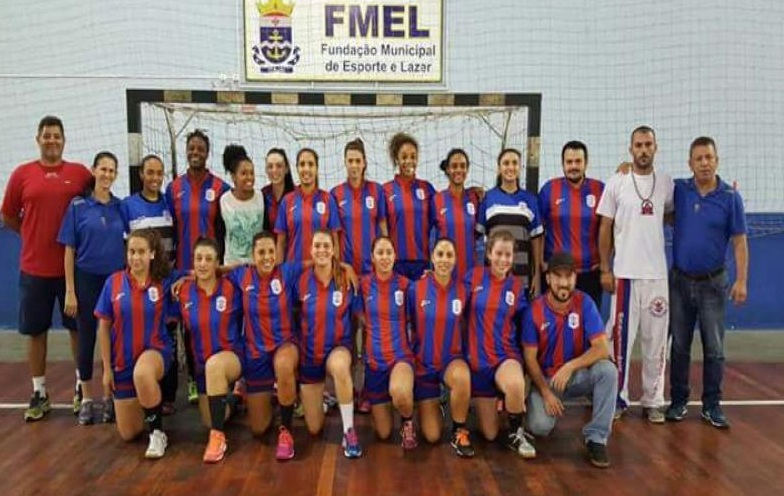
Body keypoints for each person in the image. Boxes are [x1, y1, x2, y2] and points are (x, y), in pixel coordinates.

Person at [1, 115, 92, 422]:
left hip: (72, 270)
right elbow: (9, 215)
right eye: (47, 136)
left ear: (64, 140)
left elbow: (94, 206)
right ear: (38, 139)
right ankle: (39, 391)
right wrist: (31, 234)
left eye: (57, 136)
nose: (52, 140)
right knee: (35, 331)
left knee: (77, 330)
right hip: (34, 270)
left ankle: (82, 387)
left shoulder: (80, 175)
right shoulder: (22, 175)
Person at [665, 137, 748, 429]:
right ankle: (677, 401)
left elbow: (739, 242)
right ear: (690, 163)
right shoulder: (679, 191)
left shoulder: (730, 197)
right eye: (698, 158)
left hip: (713, 284)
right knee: (679, 347)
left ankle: (712, 405)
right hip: (679, 282)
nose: (704, 163)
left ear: (717, 160)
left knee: (714, 348)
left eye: (709, 157)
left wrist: (742, 280)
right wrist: (625, 168)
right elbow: (648, 188)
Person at [597, 125, 674, 423]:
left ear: (656, 147)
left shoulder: (666, 183)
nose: (643, 150)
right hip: (624, 275)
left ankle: (653, 399)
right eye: (638, 145)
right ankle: (617, 397)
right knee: (619, 341)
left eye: (648, 144)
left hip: (656, 276)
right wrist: (605, 268)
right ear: (630, 149)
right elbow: (605, 227)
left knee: (655, 342)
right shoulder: (617, 182)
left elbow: (669, 213)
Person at [522, 252, 617, 468]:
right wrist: (546, 392)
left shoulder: (585, 303)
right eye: (558, 277)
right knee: (539, 427)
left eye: (569, 277)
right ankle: (535, 405)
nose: (564, 283)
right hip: (547, 381)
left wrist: (570, 366)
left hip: (576, 376)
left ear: (575, 278)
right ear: (548, 279)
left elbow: (602, 348)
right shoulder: (534, 311)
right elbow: (529, 359)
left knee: (607, 371)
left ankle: (597, 438)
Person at [95, 229, 176, 459]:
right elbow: (103, 326)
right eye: (132, 252)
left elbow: (197, 273)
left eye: (141, 252)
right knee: (129, 434)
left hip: (156, 351)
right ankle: (149, 404)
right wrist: (107, 369)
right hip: (123, 361)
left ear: (152, 254)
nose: (136, 257)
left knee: (143, 374)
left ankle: (158, 433)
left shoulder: (163, 282)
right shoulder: (114, 283)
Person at [58, 151, 126, 426]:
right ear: (94, 171)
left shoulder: (121, 207)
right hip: (86, 280)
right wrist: (70, 290)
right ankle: (86, 398)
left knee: (116, 340)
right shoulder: (78, 207)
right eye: (103, 169)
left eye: (112, 170)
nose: (107, 174)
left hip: (114, 280)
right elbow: (68, 250)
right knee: (86, 338)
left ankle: (111, 397)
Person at [165, 129, 231, 403]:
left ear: (207, 153)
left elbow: (224, 230)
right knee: (186, 327)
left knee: (210, 325)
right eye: (191, 148)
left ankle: (217, 379)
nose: (195, 152)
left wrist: (220, 267)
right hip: (183, 269)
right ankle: (192, 379)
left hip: (210, 271)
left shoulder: (220, 188)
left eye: (200, 148)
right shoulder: (174, 188)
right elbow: (168, 228)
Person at [227, 231, 301, 461]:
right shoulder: (242, 275)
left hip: (284, 344)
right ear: (253, 255)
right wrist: (188, 277)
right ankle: (246, 397)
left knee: (284, 365)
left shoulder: (287, 271)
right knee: (258, 429)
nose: (267, 257)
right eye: (261, 252)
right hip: (256, 353)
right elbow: (214, 271)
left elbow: (316, 262)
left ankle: (286, 430)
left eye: (271, 251)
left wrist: (344, 267)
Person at [465, 229, 535, 458]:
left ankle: (517, 432)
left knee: (515, 385)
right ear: (488, 254)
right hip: (478, 362)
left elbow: (525, 322)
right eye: (499, 253)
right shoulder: (473, 277)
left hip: (505, 356)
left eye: (508, 255)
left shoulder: (516, 287)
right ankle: (496, 402)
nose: (503, 260)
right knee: (490, 434)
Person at [174, 238, 244, 462]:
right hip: (203, 368)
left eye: (208, 259)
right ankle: (234, 400)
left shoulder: (232, 288)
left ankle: (218, 439)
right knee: (212, 417)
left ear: (217, 263)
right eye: (198, 259)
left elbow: (250, 269)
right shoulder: (183, 291)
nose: (203, 264)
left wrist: (222, 270)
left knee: (216, 366)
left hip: (232, 358)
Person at [295, 229, 363, 458]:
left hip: (337, 348)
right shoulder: (301, 280)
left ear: (333, 250)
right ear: (311, 250)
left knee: (341, 367)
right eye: (317, 246)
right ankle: (320, 400)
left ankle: (349, 431)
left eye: (326, 246)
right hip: (310, 355)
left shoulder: (345, 278)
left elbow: (359, 317)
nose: (322, 250)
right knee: (314, 428)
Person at [120, 154, 178, 414]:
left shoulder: (169, 203)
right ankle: (139, 390)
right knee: (144, 333)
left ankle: (166, 397)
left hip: (167, 279)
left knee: (169, 334)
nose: (155, 178)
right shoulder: (128, 205)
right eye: (150, 173)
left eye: (159, 173)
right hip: (141, 282)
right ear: (141, 175)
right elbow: (127, 246)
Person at [408, 238, 474, 457]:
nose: (444, 260)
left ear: (455, 260)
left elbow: (469, 325)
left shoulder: (464, 291)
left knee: (463, 376)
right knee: (433, 436)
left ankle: (459, 431)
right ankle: (436, 403)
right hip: (424, 365)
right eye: (440, 254)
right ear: (432, 257)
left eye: (449, 255)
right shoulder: (415, 289)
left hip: (450, 361)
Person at [357, 236, 416, 449]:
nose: (384, 257)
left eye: (388, 252)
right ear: (372, 257)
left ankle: (408, 422)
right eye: (380, 253)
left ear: (394, 256)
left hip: (400, 357)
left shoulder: (405, 285)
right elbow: (360, 316)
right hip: (375, 364)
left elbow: (417, 317)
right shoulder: (363, 285)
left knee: (400, 393)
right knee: (382, 433)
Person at [538, 141, 605, 308]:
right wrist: (541, 262)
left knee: (587, 328)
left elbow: (610, 229)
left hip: (590, 274)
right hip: (557, 274)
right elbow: (537, 231)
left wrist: (605, 263)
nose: (573, 166)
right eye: (569, 162)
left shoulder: (600, 189)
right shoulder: (549, 189)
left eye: (578, 161)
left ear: (586, 163)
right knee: (556, 327)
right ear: (562, 164)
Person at [477, 148, 544, 296]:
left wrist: (537, 276)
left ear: (520, 168)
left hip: (522, 277)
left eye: (515, 163)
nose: (510, 167)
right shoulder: (487, 198)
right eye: (506, 163)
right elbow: (478, 238)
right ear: (499, 168)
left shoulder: (530, 200)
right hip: (494, 276)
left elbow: (536, 240)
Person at [331, 138, 388, 275]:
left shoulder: (377, 190)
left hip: (373, 270)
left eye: (358, 161)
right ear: (345, 162)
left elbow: (383, 229)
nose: (354, 165)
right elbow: (335, 235)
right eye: (350, 161)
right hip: (347, 270)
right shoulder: (335, 194)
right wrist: (338, 266)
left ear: (364, 163)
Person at [383, 133, 435, 280]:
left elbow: (446, 205)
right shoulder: (386, 190)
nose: (409, 161)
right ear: (396, 159)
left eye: (413, 156)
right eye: (404, 157)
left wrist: (470, 192)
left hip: (422, 263)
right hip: (395, 263)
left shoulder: (427, 189)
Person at [275, 148, 341, 263]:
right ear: (297, 168)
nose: (306, 169)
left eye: (310, 164)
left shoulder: (328, 199)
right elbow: (280, 244)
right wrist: (278, 274)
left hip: (321, 272)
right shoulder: (287, 201)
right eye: (302, 164)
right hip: (294, 273)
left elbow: (335, 241)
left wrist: (336, 269)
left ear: (316, 168)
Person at [431, 149, 482, 278]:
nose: (459, 170)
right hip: (444, 273)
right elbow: (430, 237)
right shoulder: (437, 199)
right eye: (454, 166)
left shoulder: (475, 198)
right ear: (447, 169)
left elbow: (480, 236)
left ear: (467, 169)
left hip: (470, 271)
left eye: (463, 166)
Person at [220, 145, 264, 265]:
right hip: (232, 267)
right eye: (244, 173)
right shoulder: (224, 200)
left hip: (256, 266)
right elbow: (220, 235)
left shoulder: (261, 198)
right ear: (234, 177)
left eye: (251, 173)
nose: (249, 177)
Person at [261, 148, 295, 233]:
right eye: (270, 166)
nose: (274, 170)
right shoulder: (262, 194)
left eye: (279, 166)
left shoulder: (297, 195)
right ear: (266, 170)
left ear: (286, 169)